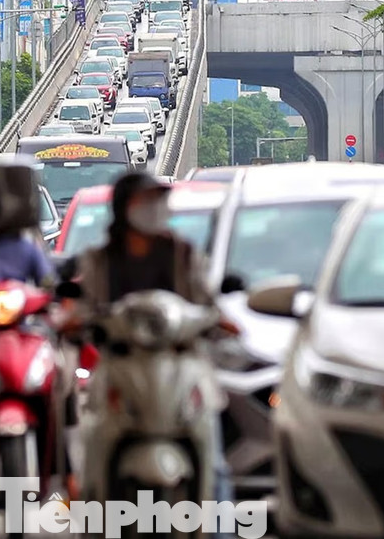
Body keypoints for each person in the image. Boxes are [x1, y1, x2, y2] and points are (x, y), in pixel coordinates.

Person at [64, 173, 238, 515]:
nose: (154, 208)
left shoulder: (183, 254)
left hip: (182, 367)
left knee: (213, 462)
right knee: (95, 447)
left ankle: (218, 530)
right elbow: (82, 308)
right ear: (123, 208)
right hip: (120, 367)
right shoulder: (99, 260)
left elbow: (207, 303)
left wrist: (220, 320)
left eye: (158, 200)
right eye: (145, 201)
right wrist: (72, 320)